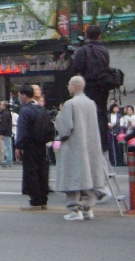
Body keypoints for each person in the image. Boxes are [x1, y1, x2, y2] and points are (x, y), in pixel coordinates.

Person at [55, 76, 105, 221]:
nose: (67, 87)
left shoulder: (70, 104)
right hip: (90, 145)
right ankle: (88, 208)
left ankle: (75, 209)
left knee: (73, 177)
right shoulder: (91, 103)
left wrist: (58, 119)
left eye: (69, 85)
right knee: (88, 175)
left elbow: (65, 129)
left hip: (74, 146)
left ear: (74, 87)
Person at [72, 25, 110, 152]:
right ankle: (103, 144)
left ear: (87, 36)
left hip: (89, 86)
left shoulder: (83, 50)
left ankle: (91, 144)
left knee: (88, 116)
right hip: (104, 86)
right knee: (102, 114)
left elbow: (77, 67)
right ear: (100, 36)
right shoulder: (104, 50)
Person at [15, 84, 49, 210]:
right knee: (42, 173)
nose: (19, 97)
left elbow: (22, 130)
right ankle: (43, 199)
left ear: (24, 95)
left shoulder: (25, 110)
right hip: (42, 145)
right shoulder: (41, 108)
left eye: (19, 95)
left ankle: (35, 201)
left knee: (31, 173)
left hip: (30, 146)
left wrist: (18, 146)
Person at [0, 100, 13, 168]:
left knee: (7, 147)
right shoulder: (8, 113)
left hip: (6, 133)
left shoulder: (5, 114)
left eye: (1, 105)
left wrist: (1, 133)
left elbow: (4, 124)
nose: (0, 106)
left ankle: (8, 161)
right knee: (8, 147)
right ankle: (8, 160)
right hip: (8, 132)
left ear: (4, 106)